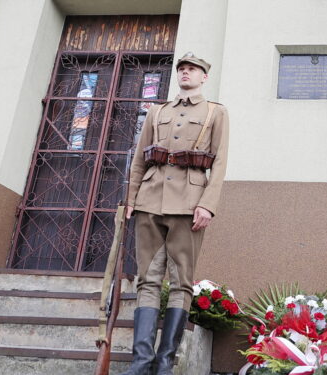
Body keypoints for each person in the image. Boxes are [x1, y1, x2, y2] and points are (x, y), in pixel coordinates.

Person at [121, 52, 229, 375]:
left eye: (192, 69)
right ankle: (141, 361)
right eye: (181, 69)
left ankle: (164, 361)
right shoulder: (157, 112)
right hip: (150, 201)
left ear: (203, 77)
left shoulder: (215, 113)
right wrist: (131, 198)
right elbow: (140, 159)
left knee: (181, 283)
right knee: (147, 281)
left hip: (189, 204)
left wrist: (208, 204)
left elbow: (220, 163)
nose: (185, 73)